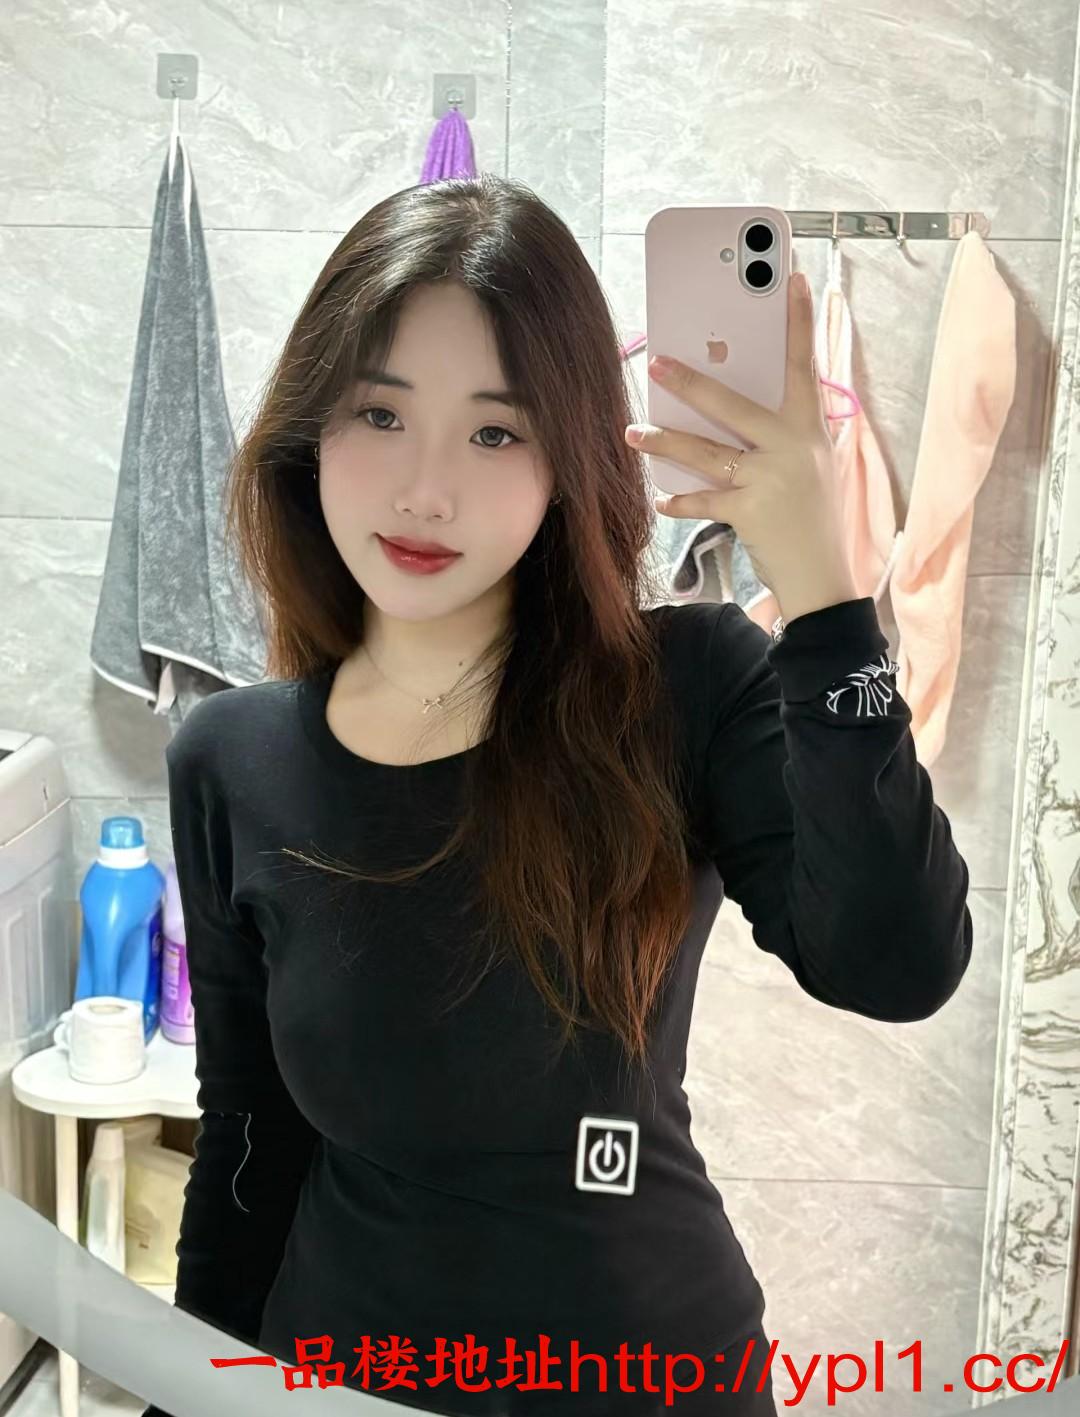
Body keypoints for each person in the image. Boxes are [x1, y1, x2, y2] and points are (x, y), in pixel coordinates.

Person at [141, 174, 972, 1417]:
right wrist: (188, 1394)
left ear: (569, 457)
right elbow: (251, 1141)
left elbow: (896, 963)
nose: (427, 489)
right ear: (311, 428)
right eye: (380, 413)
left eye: (496, 432)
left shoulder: (687, 684)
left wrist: (823, 591)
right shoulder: (229, 754)